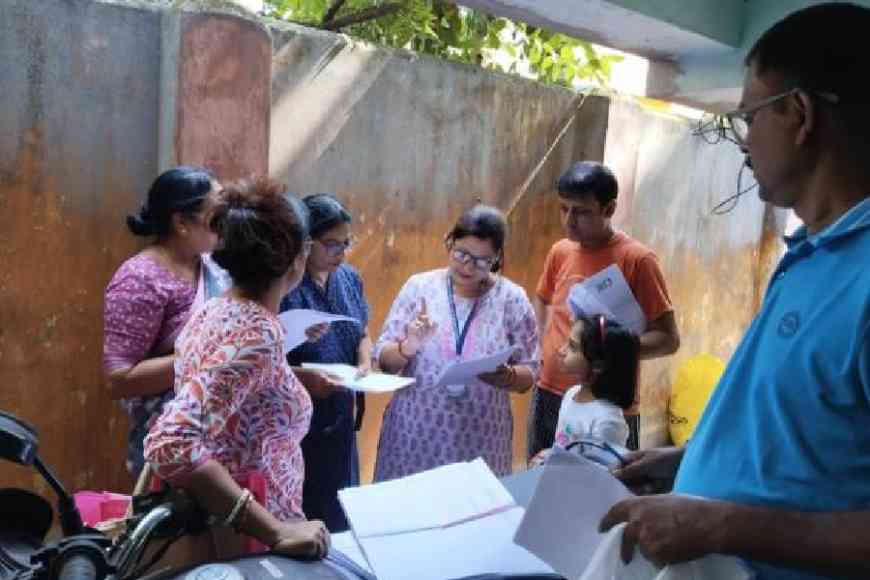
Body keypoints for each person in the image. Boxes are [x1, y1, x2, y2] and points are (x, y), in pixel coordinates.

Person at [600, 4, 870, 579]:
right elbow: (806, 441)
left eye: (749, 118)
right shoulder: (810, 254)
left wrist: (723, 524)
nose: (744, 143)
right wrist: (689, 462)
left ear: (799, 115)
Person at [144, 179, 328, 558]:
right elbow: (172, 443)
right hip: (248, 541)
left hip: (240, 528)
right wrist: (274, 530)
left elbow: (233, 401)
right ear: (299, 256)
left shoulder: (215, 309)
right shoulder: (258, 333)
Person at [373, 204, 540, 481]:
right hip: (415, 435)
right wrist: (407, 347)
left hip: (481, 441)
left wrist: (506, 376)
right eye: (461, 253)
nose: (467, 266)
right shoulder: (419, 287)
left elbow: (530, 372)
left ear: (497, 257)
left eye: (481, 260)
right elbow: (384, 362)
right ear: (449, 242)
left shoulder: (512, 300)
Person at [528, 161, 679, 457]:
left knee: (606, 489)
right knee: (541, 478)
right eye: (564, 209)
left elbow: (668, 339)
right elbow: (543, 299)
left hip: (607, 399)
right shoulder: (560, 251)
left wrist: (606, 348)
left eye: (581, 211)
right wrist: (541, 345)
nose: (569, 220)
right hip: (551, 391)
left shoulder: (637, 260)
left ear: (609, 209)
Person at [103, 166, 230, 476]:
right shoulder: (140, 278)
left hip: (221, 437)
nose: (225, 225)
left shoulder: (212, 266)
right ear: (182, 222)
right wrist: (209, 357)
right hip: (169, 441)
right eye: (216, 216)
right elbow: (118, 379)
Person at [280, 194, 371, 533]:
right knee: (304, 506)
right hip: (295, 421)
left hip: (341, 412)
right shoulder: (284, 283)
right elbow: (261, 360)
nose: (341, 254)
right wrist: (305, 379)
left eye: (346, 243)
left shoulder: (349, 277)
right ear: (305, 244)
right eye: (331, 245)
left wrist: (364, 359)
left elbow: (362, 330)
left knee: (340, 506)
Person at [531, 311, 639, 466]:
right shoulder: (571, 393)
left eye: (573, 347)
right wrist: (549, 457)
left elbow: (599, 474)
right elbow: (564, 449)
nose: (562, 351)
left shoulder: (607, 420)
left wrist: (553, 464)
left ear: (598, 365)